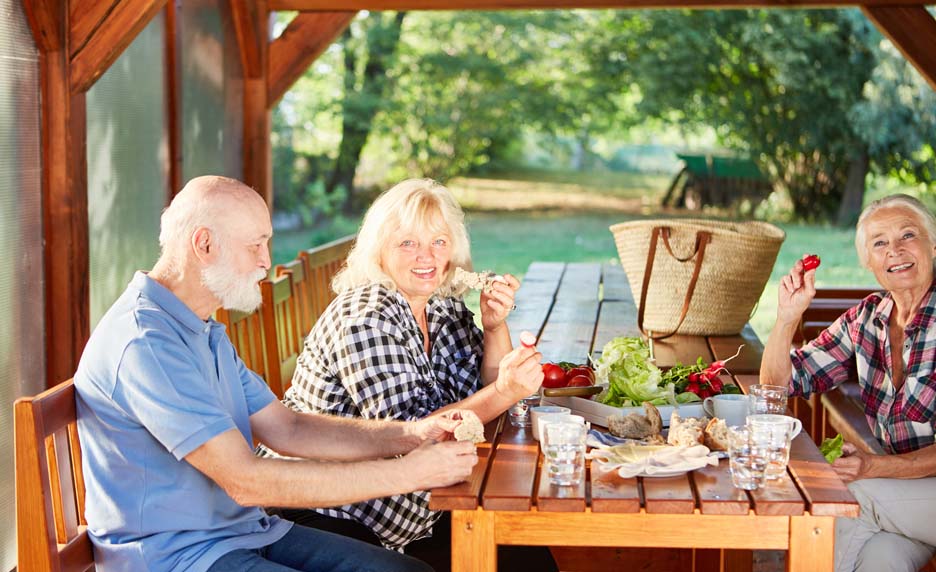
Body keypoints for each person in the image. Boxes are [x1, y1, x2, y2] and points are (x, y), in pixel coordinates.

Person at [74, 175, 480, 572]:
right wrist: (410, 472)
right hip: (179, 557)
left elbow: (289, 428)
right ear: (205, 244)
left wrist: (410, 435)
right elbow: (245, 481)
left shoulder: (200, 328)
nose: (266, 261)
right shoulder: (147, 342)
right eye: (255, 246)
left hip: (247, 532)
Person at [259, 178, 553, 570]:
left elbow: (484, 395)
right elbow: (412, 434)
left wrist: (495, 326)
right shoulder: (366, 317)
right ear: (379, 250)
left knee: (525, 553)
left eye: (439, 242)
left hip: (417, 508)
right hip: (329, 510)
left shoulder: (441, 306)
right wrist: (505, 390)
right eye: (407, 243)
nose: (426, 257)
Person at [760, 193, 936, 572]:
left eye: (908, 235)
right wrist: (788, 318)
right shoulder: (868, 319)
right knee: (879, 560)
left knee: (849, 500)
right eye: (880, 243)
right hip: (908, 498)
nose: (895, 250)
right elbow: (777, 387)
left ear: (932, 243)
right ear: (867, 261)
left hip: (901, 490)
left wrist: (873, 468)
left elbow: (872, 477)